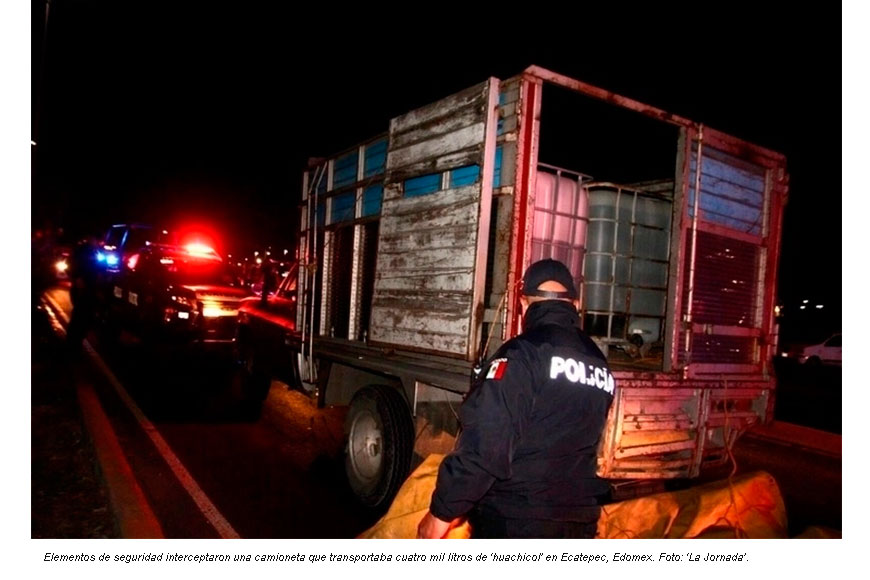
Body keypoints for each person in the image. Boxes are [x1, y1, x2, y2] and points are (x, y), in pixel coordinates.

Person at [417, 259, 615, 539]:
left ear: (524, 306)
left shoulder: (521, 355)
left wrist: (440, 514)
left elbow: (486, 448)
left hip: (517, 521)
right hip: (580, 522)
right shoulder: (599, 363)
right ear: (576, 304)